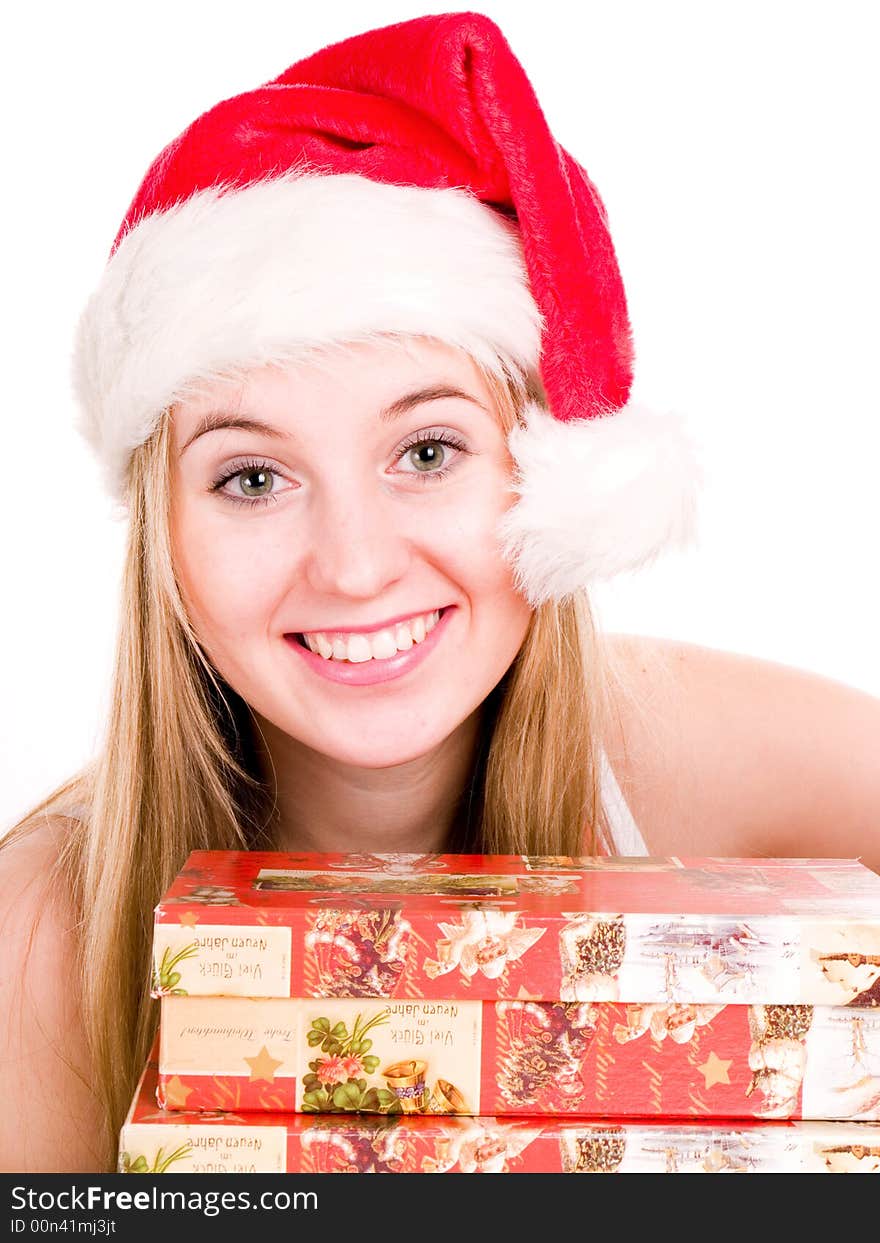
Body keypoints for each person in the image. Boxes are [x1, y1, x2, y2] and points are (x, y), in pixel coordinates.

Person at [1, 11, 878, 1175]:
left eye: (426, 453)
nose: (356, 567)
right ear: (162, 535)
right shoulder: (37, 947)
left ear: (540, 470)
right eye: (252, 477)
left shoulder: (700, 754)